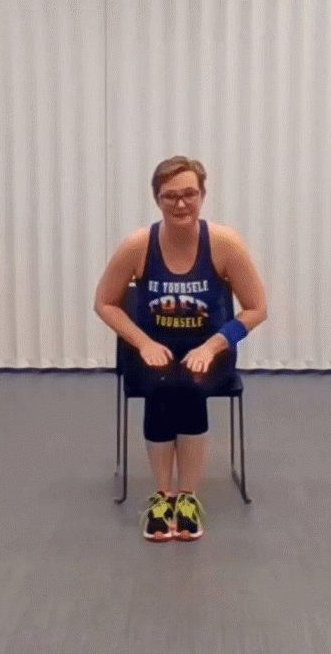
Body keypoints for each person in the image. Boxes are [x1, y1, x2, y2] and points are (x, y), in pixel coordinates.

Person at [94, 156, 267, 542]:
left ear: (202, 196)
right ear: (157, 199)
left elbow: (257, 309)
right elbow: (104, 302)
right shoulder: (138, 245)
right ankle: (161, 496)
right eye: (170, 196)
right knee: (160, 385)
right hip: (151, 350)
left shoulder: (224, 243)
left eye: (189, 194)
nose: (180, 204)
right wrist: (142, 341)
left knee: (189, 384)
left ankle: (187, 498)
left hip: (211, 349)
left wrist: (215, 344)